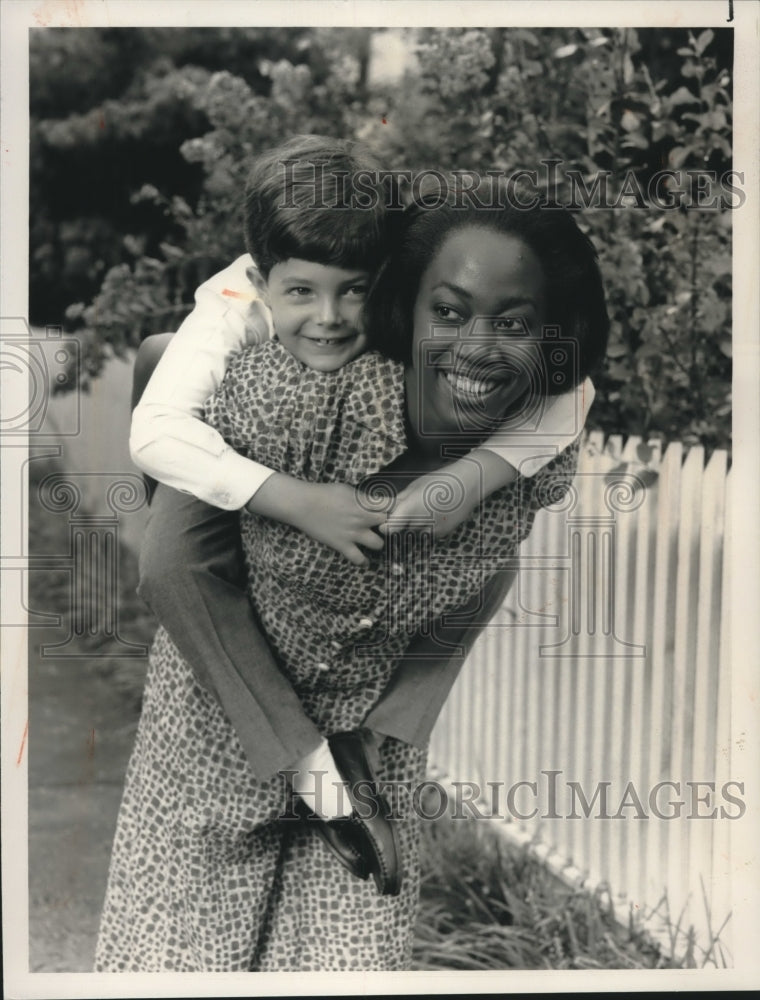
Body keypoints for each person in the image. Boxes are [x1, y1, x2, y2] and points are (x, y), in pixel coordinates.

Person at [94, 175, 608, 971]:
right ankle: (313, 767)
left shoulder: (531, 421)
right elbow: (165, 488)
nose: (478, 342)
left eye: (512, 323)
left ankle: (358, 754)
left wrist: (471, 477)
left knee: (349, 968)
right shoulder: (274, 376)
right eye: (449, 311)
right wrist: (295, 500)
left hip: (372, 745)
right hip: (214, 740)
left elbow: (572, 397)